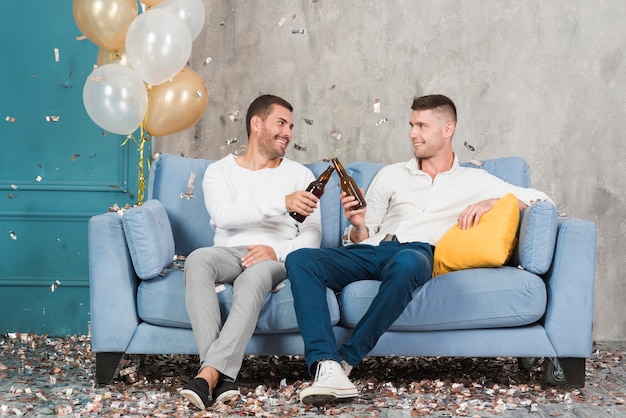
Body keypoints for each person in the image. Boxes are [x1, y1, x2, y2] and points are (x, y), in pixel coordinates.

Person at [285, 94, 553, 405]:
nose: (413, 133)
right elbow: (360, 236)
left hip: (417, 254)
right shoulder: (392, 174)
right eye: (412, 125)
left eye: (422, 126)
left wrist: (493, 202)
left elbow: (542, 200)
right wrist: (358, 225)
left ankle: (346, 360)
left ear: (447, 129)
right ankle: (327, 365)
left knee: (410, 262)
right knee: (301, 259)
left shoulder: (475, 180)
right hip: (375, 248)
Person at [181, 94, 323, 410]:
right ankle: (222, 378)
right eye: (281, 123)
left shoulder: (301, 175)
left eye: (291, 126)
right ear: (256, 124)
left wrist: (277, 250)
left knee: (255, 276)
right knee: (197, 259)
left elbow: (313, 235)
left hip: (276, 257)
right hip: (229, 252)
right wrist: (281, 203)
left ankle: (206, 375)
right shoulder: (220, 171)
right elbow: (223, 215)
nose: (288, 132)